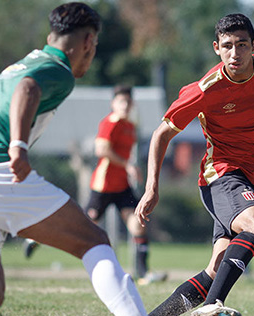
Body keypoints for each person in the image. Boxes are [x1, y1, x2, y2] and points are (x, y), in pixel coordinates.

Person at [0, 3, 196, 316]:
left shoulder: (15, 66)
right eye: (95, 44)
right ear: (86, 41)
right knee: (94, 241)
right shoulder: (55, 69)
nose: (92, 52)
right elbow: (28, 89)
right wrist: (17, 146)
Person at [135, 13, 254, 316]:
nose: (235, 53)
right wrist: (152, 187)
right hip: (220, 175)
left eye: (242, 45)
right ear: (216, 48)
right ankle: (213, 304)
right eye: (228, 46)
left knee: (218, 267)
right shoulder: (206, 89)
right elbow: (161, 133)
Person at [23, 85, 167, 285]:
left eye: (128, 102)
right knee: (80, 226)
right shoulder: (110, 123)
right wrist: (127, 165)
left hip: (122, 187)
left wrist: (131, 168)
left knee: (138, 225)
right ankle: (38, 237)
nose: (125, 105)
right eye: (121, 102)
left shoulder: (130, 126)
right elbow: (102, 149)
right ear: (113, 104)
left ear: (132, 104)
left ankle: (143, 274)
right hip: (104, 186)